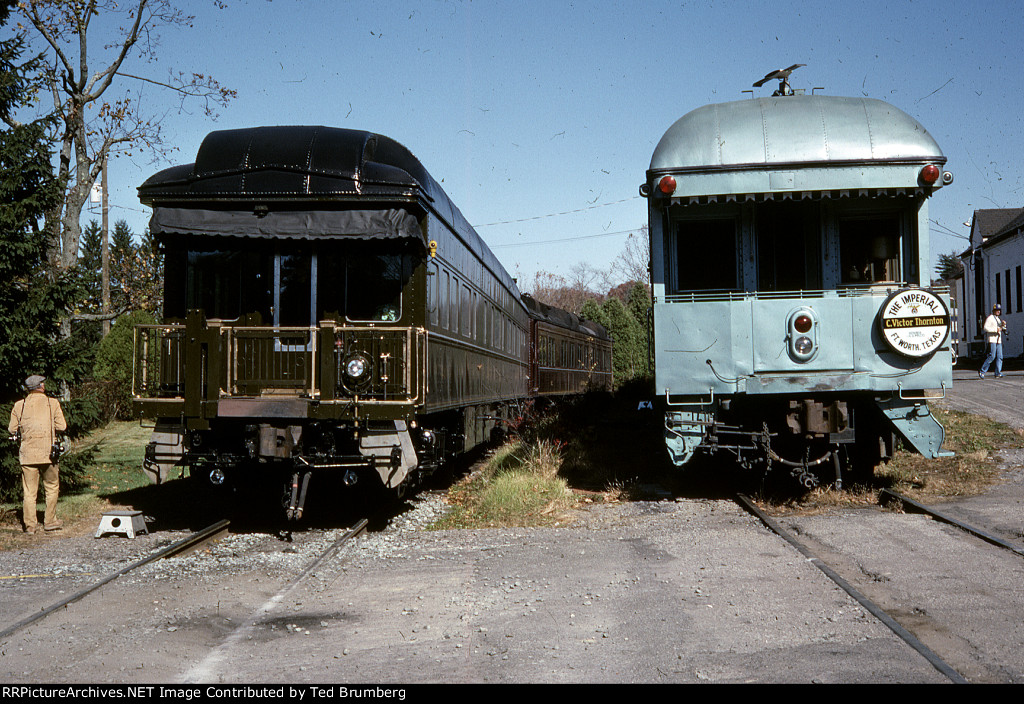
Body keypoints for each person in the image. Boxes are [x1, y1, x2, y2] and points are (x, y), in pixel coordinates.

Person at [7, 375, 67, 533]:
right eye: (43, 383)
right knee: (52, 487)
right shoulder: (52, 403)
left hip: (27, 454)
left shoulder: (20, 405)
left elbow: (12, 429)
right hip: (49, 453)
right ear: (40, 386)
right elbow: (62, 426)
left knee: (29, 491)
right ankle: (50, 521)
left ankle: (30, 526)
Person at [979, 304, 1007, 379]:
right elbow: (985, 328)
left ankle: (998, 372)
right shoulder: (990, 318)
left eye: (999, 310)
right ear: (994, 311)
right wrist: (995, 330)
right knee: (992, 356)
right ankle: (982, 371)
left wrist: (1004, 325)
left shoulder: (998, 319)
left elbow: (1001, 329)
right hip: (992, 340)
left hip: (998, 340)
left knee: (1000, 357)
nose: (998, 311)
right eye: (997, 310)